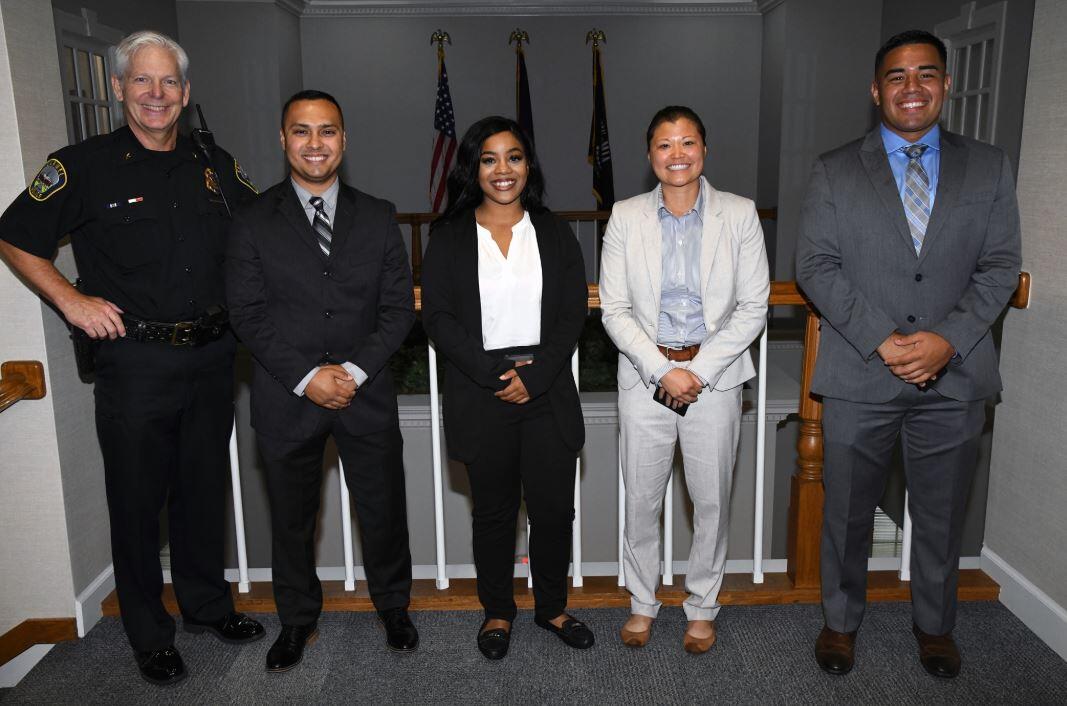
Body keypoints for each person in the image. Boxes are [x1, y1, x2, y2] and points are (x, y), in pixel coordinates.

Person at [0, 31, 264, 685]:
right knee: (138, 502)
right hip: (135, 362)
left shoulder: (212, 162)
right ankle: (149, 633)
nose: (156, 94)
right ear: (118, 88)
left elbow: (262, 233)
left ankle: (206, 606)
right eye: (141, 81)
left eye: (168, 82)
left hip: (210, 357)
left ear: (186, 93)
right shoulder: (82, 166)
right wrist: (72, 301)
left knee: (203, 493)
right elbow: (14, 235)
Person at [796, 30, 1022, 679]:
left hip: (955, 377)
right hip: (859, 373)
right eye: (896, 76)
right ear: (876, 91)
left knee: (939, 515)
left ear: (945, 85)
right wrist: (883, 339)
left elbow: (1001, 265)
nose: (912, 86)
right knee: (844, 515)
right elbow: (813, 262)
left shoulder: (988, 165)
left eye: (926, 74)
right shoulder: (834, 168)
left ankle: (935, 626)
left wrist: (946, 339)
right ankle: (839, 623)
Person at [225, 90, 417, 672]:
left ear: (344, 140)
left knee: (384, 511)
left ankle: (393, 608)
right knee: (291, 519)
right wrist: (308, 378)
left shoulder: (380, 215)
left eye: (327, 131)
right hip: (289, 399)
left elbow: (397, 310)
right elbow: (247, 313)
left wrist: (353, 372)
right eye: (302, 131)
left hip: (367, 393)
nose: (315, 143)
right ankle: (297, 621)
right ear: (283, 140)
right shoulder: (251, 220)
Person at [421, 116, 592, 660]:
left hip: (546, 393)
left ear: (528, 165)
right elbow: (439, 318)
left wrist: (536, 375)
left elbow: (571, 312)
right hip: (482, 391)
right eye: (490, 158)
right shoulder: (447, 237)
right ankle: (497, 611)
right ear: (473, 166)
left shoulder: (555, 231)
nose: (503, 169)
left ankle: (552, 608)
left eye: (514, 157)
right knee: (493, 515)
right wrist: (497, 376)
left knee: (552, 513)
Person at [599, 106, 769, 654]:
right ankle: (643, 602)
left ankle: (702, 606)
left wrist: (694, 372)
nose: (677, 154)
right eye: (665, 145)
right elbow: (614, 309)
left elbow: (753, 306)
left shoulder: (739, 214)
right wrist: (663, 370)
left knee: (711, 501)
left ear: (704, 150)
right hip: (645, 376)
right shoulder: (625, 216)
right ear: (650, 155)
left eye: (688, 143)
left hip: (713, 379)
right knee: (642, 500)